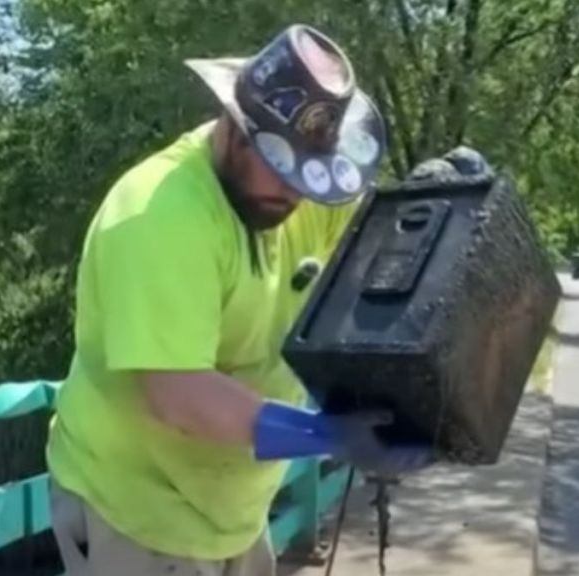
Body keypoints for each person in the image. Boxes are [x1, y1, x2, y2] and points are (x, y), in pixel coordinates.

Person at [45, 24, 431, 576]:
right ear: (235, 127)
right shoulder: (161, 215)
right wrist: (327, 435)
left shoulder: (301, 194)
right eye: (281, 168)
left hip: (234, 506)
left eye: (311, 176)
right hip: (133, 508)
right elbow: (177, 393)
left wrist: (435, 197)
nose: (296, 193)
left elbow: (377, 249)